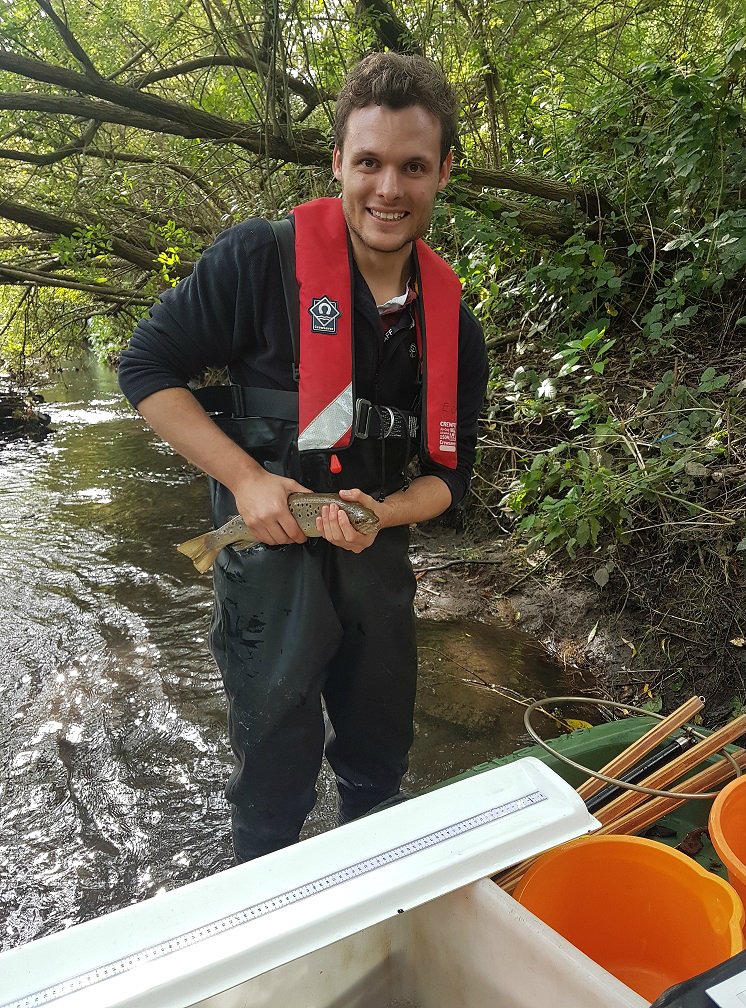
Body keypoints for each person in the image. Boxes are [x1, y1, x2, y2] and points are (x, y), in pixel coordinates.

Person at [118, 51, 488, 863]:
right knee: (272, 785)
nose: (389, 188)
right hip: (266, 573)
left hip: (376, 573)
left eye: (413, 167)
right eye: (371, 163)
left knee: (378, 769)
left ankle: (373, 911)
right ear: (338, 164)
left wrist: (388, 512)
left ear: (443, 173)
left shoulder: (454, 324)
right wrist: (245, 479)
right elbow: (145, 371)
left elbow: (448, 480)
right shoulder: (257, 262)